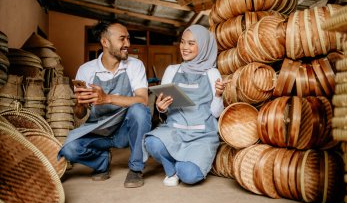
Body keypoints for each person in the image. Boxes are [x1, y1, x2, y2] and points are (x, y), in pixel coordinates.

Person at [58, 20, 151, 188]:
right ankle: (102, 162)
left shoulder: (135, 66)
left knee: (140, 110)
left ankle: (136, 168)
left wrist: (107, 98)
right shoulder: (86, 70)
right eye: (122, 39)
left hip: (123, 131)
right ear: (105, 42)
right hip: (98, 131)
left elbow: (143, 100)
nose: (127, 44)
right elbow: (79, 115)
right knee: (69, 149)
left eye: (128, 39)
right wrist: (80, 104)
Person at [143, 24, 226, 186]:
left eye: (191, 43)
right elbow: (165, 109)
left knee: (190, 175)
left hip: (202, 135)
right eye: (182, 42)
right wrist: (161, 107)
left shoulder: (212, 73)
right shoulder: (172, 70)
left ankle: (183, 166)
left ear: (203, 46)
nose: (184, 47)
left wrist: (218, 95)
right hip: (175, 131)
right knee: (152, 142)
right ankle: (171, 170)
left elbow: (216, 114)